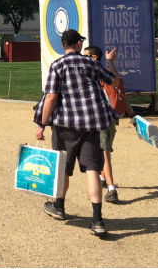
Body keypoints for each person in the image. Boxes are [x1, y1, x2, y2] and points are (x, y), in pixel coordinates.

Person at [35, 29, 117, 237]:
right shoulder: (90, 63)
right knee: (92, 168)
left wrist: (42, 124)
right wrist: (110, 61)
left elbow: (51, 97)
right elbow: (111, 80)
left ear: (64, 45)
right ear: (79, 44)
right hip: (93, 123)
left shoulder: (57, 65)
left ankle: (59, 206)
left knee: (63, 167)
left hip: (66, 126)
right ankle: (97, 220)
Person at [83, 45, 134, 203]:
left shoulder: (97, 75)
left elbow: (114, 79)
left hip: (102, 119)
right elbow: (121, 93)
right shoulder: (98, 74)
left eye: (86, 56)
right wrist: (132, 115)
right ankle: (103, 178)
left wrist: (111, 61)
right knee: (103, 151)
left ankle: (112, 190)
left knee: (104, 154)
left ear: (94, 58)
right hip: (112, 119)